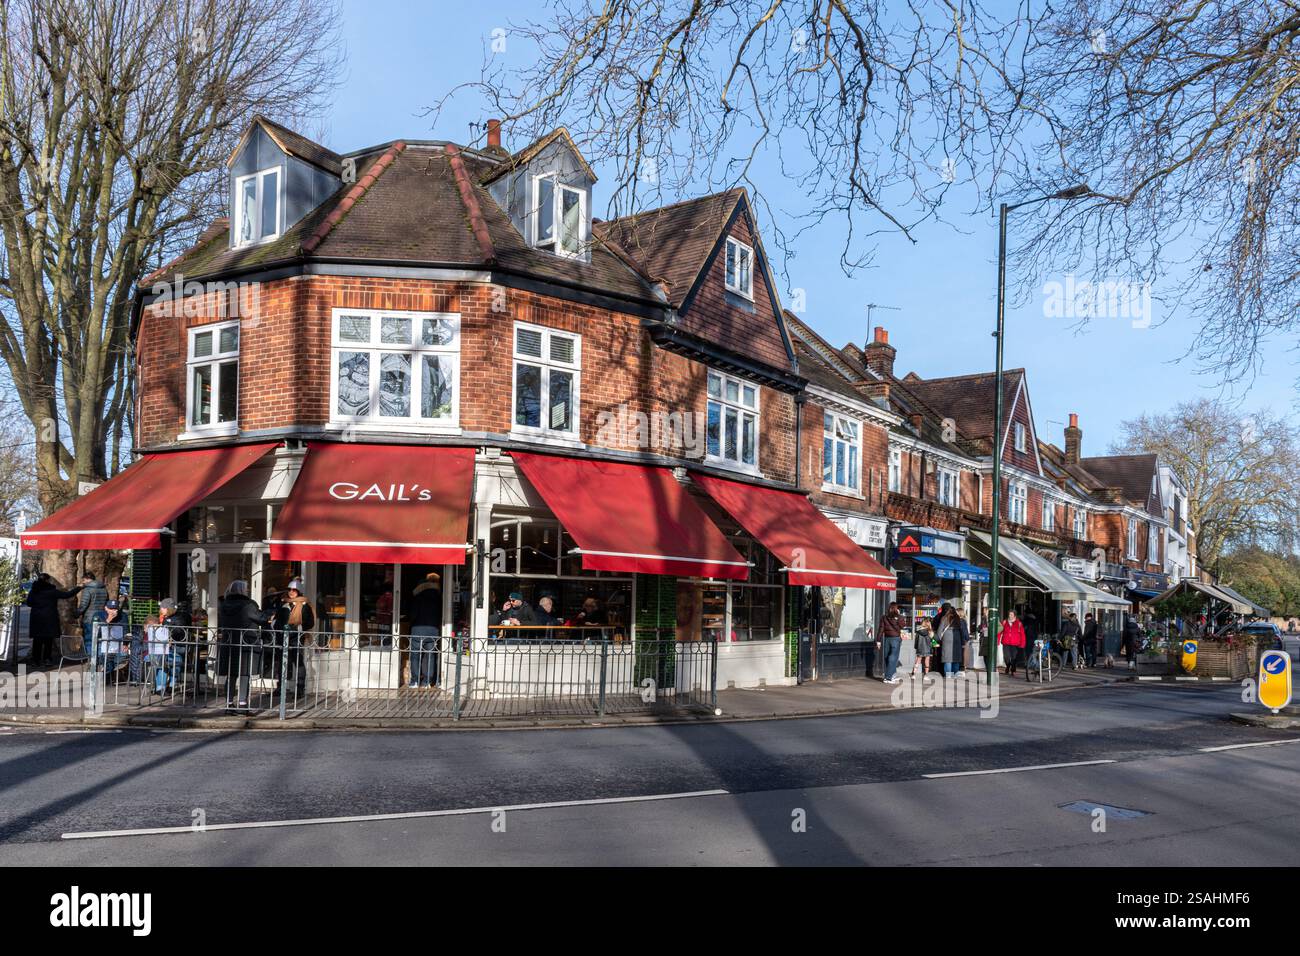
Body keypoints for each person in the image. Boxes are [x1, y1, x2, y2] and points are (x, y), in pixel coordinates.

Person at [217, 580, 271, 709]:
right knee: (244, 673)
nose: (247, 591)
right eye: (246, 589)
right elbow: (261, 618)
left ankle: (229, 703)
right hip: (246, 642)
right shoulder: (248, 605)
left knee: (231, 674)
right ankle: (242, 703)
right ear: (242, 590)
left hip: (229, 642)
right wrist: (270, 613)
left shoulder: (224, 604)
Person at [24, 573, 82, 667]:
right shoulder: (52, 591)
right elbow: (67, 595)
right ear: (47, 580)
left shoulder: (33, 591)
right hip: (49, 618)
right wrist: (78, 588)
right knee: (48, 640)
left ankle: (35, 660)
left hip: (37, 618)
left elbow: (29, 603)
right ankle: (47, 659)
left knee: (37, 640)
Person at [273, 578, 316, 700]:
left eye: (294, 590)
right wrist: (278, 626)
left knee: (298, 662)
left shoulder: (304, 605)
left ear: (299, 591)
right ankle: (280, 687)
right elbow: (277, 619)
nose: (291, 592)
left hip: (296, 638)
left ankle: (300, 689)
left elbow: (310, 622)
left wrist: (297, 628)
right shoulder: (284, 603)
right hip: (283, 637)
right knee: (282, 662)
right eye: (289, 590)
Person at [408, 572, 441, 689]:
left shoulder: (418, 596)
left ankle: (415, 680)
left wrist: (411, 622)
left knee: (415, 656)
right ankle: (427, 681)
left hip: (418, 629)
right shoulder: (438, 596)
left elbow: (413, 614)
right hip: (433, 630)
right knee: (430, 656)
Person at [92, 600, 130, 679]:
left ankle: (105, 675)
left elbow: (126, 631)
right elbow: (96, 634)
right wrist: (108, 620)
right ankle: (104, 676)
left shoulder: (123, 616)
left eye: (115, 609)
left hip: (117, 644)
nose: (113, 611)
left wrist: (125, 643)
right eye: (111, 609)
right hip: (102, 643)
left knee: (122, 656)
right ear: (106, 608)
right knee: (104, 657)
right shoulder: (98, 615)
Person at [77, 573, 108, 650]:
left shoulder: (87, 589)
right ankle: (99, 658)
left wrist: (76, 613)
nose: (83, 582)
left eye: (84, 580)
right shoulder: (104, 589)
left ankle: (90, 658)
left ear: (88, 579)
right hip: (102, 617)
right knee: (99, 638)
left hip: (89, 618)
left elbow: (84, 605)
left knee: (89, 639)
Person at [879, 602, 904, 684]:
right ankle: (888, 677)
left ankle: (891, 675)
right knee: (893, 657)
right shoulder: (899, 617)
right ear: (896, 609)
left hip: (887, 639)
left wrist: (878, 640)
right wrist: (899, 617)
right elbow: (902, 625)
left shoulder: (884, 617)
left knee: (887, 657)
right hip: (896, 639)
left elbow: (881, 629)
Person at [999, 609, 1027, 677]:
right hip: (1006, 642)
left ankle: (1013, 670)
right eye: (1009, 614)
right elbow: (1000, 632)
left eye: (1011, 614)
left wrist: (1022, 644)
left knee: (1014, 658)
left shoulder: (1019, 623)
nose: (1010, 616)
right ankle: (1008, 666)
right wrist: (997, 640)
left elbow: (1022, 634)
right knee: (1006, 657)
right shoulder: (1004, 622)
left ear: (1014, 615)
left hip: (1015, 643)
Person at [937, 607, 961, 678]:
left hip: (947, 638)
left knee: (947, 658)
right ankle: (955, 675)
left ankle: (948, 676)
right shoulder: (958, 618)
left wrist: (938, 640)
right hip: (956, 638)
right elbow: (961, 630)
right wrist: (962, 641)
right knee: (956, 658)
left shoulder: (944, 618)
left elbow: (939, 631)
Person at [913, 614, 933, 678]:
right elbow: (932, 641)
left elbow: (916, 640)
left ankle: (914, 674)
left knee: (917, 661)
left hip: (920, 648)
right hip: (928, 649)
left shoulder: (918, 630)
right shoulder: (930, 632)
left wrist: (916, 647)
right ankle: (926, 676)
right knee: (927, 662)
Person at [954, 608, 970, 678]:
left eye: (956, 612)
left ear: (959, 613)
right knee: (961, 656)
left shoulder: (961, 621)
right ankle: (961, 670)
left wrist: (965, 639)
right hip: (962, 640)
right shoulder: (962, 621)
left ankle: (961, 670)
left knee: (961, 656)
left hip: (961, 641)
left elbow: (964, 631)